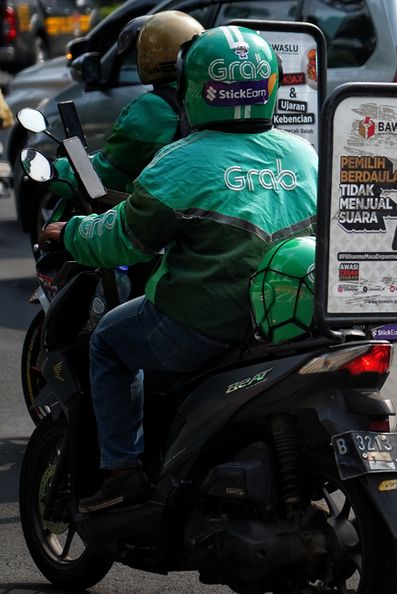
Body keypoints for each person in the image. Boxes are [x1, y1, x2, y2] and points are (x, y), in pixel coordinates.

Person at [38, 25, 319, 513]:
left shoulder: (180, 162)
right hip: (288, 319)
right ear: (269, 85)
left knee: (106, 341)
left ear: (196, 89)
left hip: (206, 323)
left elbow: (124, 238)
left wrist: (72, 232)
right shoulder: (304, 153)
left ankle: (122, 472)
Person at [50, 11, 204, 197]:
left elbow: (105, 174)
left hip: (166, 215)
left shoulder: (149, 109)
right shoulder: (212, 96)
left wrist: (61, 170)